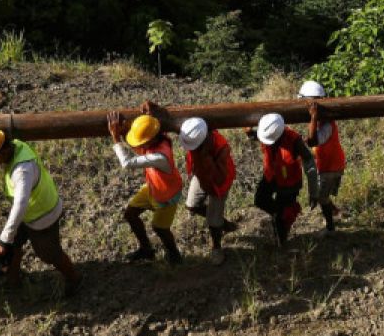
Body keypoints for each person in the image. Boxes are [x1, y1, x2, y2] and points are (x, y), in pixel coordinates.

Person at [0, 129, 81, 295]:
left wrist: (3, 240)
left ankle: (74, 279)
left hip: (42, 216)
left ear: (3, 151)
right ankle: (13, 280)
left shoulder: (22, 170)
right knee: (14, 244)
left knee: (50, 254)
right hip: (31, 213)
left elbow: (21, 204)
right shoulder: (16, 145)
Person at [108, 103, 185, 263]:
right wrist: (149, 114)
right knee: (130, 214)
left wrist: (116, 138)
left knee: (160, 228)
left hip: (167, 197)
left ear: (150, 140)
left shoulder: (160, 157)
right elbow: (141, 146)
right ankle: (146, 250)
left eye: (141, 141)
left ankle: (175, 255)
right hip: (153, 188)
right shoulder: (159, 137)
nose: (138, 144)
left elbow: (127, 163)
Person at [247, 113, 319, 246]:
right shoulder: (266, 131)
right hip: (271, 175)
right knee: (260, 200)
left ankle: (282, 243)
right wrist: (248, 128)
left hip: (289, 184)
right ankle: (282, 215)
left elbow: (309, 163)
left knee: (280, 218)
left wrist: (313, 192)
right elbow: (252, 134)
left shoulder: (294, 140)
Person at [178, 117, 238, 264]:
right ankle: (223, 223)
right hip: (201, 173)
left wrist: (205, 157)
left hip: (218, 182)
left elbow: (218, 178)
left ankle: (216, 247)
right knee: (192, 205)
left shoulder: (221, 146)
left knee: (213, 221)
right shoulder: (192, 133)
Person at [299, 80, 345, 235]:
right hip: (329, 164)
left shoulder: (326, 124)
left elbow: (314, 140)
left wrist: (312, 117)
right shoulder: (322, 122)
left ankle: (330, 228)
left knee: (321, 197)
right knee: (323, 194)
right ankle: (335, 211)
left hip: (330, 167)